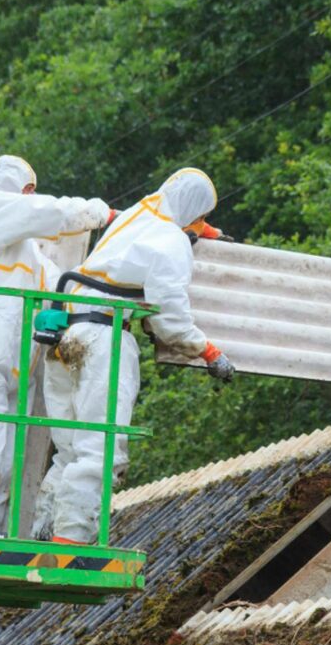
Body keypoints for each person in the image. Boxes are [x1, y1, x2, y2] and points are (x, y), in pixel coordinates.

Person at [33, 167, 235, 544]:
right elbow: (168, 314)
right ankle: (70, 546)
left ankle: (42, 541)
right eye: (202, 216)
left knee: (70, 451)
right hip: (102, 340)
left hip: (65, 332)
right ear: (192, 211)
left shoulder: (136, 218)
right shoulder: (170, 239)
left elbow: (163, 221)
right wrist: (206, 351)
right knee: (101, 451)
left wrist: (202, 231)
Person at [0, 155, 112, 534]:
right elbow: (54, 213)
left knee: (2, 461)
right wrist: (103, 213)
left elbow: (60, 283)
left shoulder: (24, 251)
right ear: (27, 189)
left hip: (10, 359)